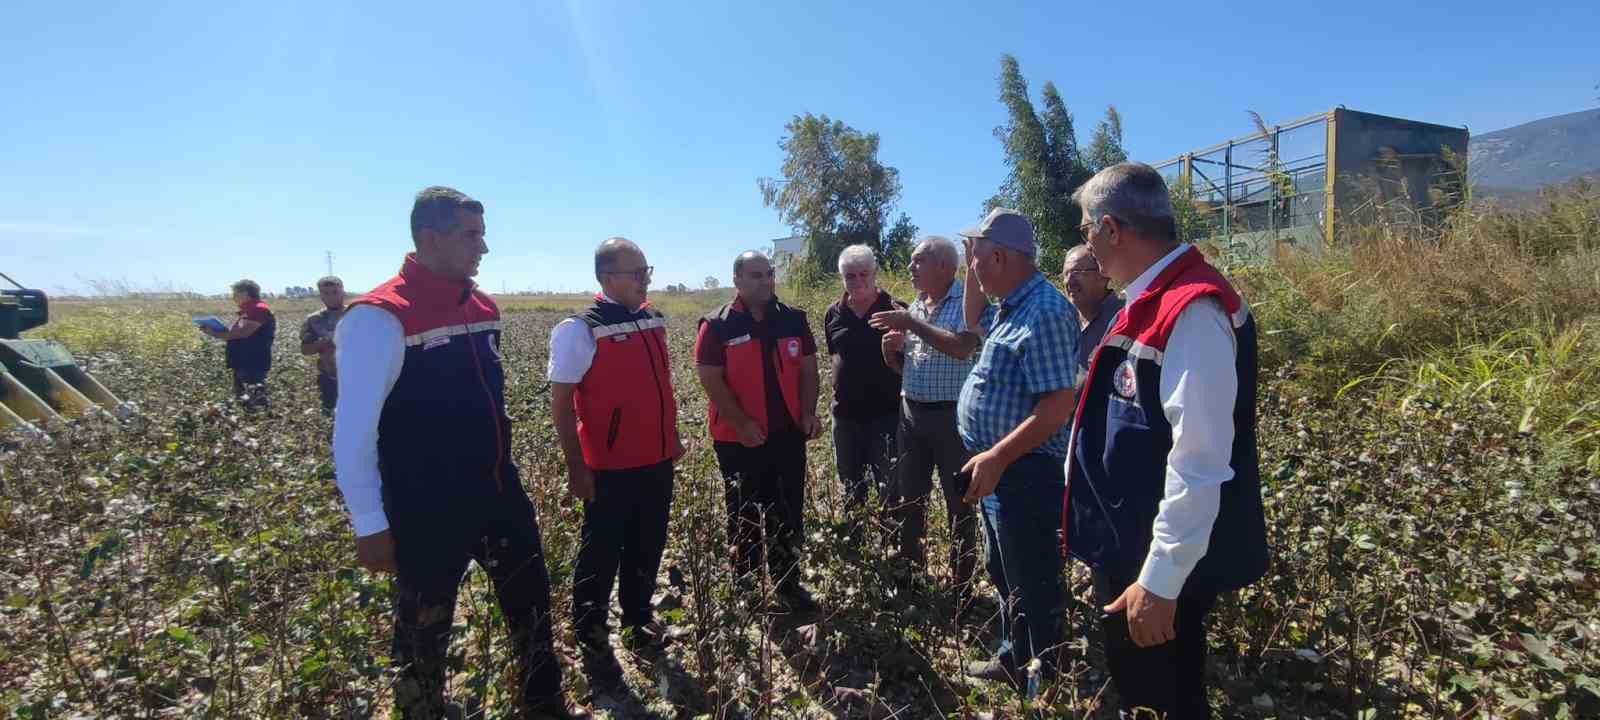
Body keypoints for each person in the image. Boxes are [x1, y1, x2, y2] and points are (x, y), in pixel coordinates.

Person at [330, 186, 571, 719]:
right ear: (429, 237)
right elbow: (353, 432)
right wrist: (369, 523)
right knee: (423, 629)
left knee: (531, 602)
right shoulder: (378, 317)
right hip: (426, 506)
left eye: (482, 234)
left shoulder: (482, 306)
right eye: (472, 235)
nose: (483, 248)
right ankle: (421, 710)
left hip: (498, 489)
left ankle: (544, 703)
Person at [1064, 162, 1268, 719]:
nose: (1086, 246)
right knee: (1140, 690)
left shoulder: (1192, 309)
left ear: (1112, 229)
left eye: (1087, 230)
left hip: (1154, 562)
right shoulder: (1149, 297)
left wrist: (1159, 582)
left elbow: (1199, 462)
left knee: (1166, 695)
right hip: (1132, 544)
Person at [955, 208, 1081, 696]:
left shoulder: (1045, 311)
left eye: (979, 258)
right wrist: (972, 263)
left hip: (1023, 471)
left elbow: (1056, 407)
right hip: (999, 470)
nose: (975, 268)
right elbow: (971, 319)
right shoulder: (1011, 304)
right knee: (1004, 569)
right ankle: (1014, 656)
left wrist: (998, 457)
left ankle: (1042, 678)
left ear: (1002, 256)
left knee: (1033, 577)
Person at [549, 237, 683, 694]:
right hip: (609, 466)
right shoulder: (579, 329)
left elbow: (659, 387)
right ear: (607, 278)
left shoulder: (651, 318)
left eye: (647, 270)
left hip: (657, 459)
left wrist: (673, 439)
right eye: (637, 272)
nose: (646, 279)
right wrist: (576, 466)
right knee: (602, 550)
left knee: (648, 542)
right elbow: (563, 403)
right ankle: (590, 634)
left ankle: (638, 618)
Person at [694, 251, 822, 611]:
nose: (765, 281)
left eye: (768, 274)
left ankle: (787, 582)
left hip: (786, 436)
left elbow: (809, 370)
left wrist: (808, 413)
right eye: (755, 275)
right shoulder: (717, 324)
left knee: (788, 510)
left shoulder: (793, 319)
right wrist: (741, 423)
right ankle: (746, 583)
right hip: (738, 439)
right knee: (744, 512)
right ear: (737, 280)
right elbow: (710, 378)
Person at [867, 236, 980, 602]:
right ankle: (910, 576)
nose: (911, 268)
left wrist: (912, 325)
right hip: (912, 415)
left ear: (946, 266)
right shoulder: (918, 305)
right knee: (909, 497)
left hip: (951, 418)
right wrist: (891, 357)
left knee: (958, 502)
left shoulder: (966, 303)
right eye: (912, 262)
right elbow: (913, 368)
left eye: (919, 261)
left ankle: (962, 586)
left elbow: (963, 348)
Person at [822, 244, 905, 509]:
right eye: (850, 276)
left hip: (887, 417)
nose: (857, 281)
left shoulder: (897, 310)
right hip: (845, 417)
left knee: (891, 491)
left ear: (875, 273)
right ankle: (855, 546)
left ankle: (892, 547)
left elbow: (911, 363)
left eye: (864, 274)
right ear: (841, 277)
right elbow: (835, 356)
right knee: (850, 489)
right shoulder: (833, 313)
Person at [202, 279, 275, 409]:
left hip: (252, 361)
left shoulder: (259, 309)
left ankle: (260, 423)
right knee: (244, 399)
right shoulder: (249, 311)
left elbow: (243, 333)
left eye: (235, 293)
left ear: (245, 293)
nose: (233, 297)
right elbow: (237, 334)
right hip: (243, 361)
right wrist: (217, 332)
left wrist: (216, 333)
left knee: (255, 400)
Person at [1062, 244, 1124, 380]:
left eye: (1077, 272)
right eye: (1066, 274)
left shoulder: (1124, 320)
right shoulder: (1063, 322)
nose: (1069, 281)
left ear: (1103, 275)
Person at [299, 276, 346, 414]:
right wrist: (322, 343)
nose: (331, 297)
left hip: (356, 376)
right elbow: (305, 350)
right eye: (326, 293)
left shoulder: (355, 314)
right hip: (329, 377)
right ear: (321, 296)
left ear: (343, 292)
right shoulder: (313, 320)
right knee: (330, 415)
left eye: (335, 292)